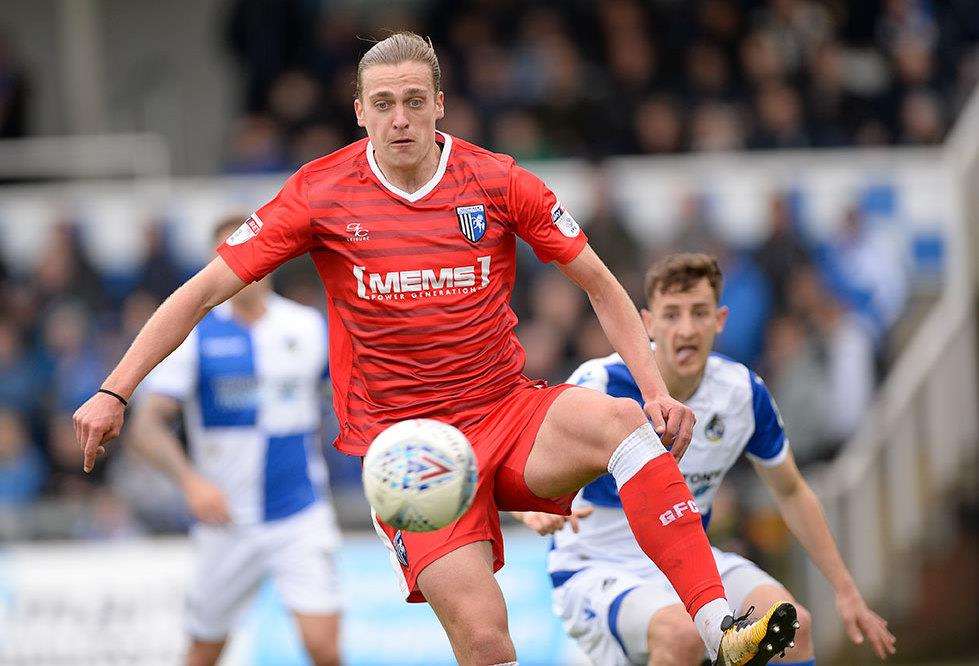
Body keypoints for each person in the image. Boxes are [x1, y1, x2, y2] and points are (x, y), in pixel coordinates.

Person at [74, 32, 795, 666]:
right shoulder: (321, 194)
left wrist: (656, 388)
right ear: (358, 111)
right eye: (382, 102)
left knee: (625, 422)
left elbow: (602, 286)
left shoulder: (498, 181)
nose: (399, 119)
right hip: (412, 454)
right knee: (486, 645)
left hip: (508, 413)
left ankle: (717, 625)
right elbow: (199, 293)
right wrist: (116, 389)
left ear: (440, 104)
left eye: (414, 101)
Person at [516, 253, 896, 665]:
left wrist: (844, 588)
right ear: (646, 322)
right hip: (597, 567)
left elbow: (791, 490)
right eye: (672, 314)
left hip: (689, 561)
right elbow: (521, 457)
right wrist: (531, 512)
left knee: (796, 628)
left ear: (720, 320)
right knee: (683, 635)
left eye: (699, 313)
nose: (686, 329)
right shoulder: (602, 383)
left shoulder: (741, 393)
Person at [127, 217, 342, 666]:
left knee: (323, 646)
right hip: (226, 520)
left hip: (299, 513)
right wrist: (190, 483)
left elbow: (349, 398)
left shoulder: (307, 327)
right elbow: (145, 427)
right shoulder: (193, 335)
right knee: (205, 651)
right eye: (226, 255)